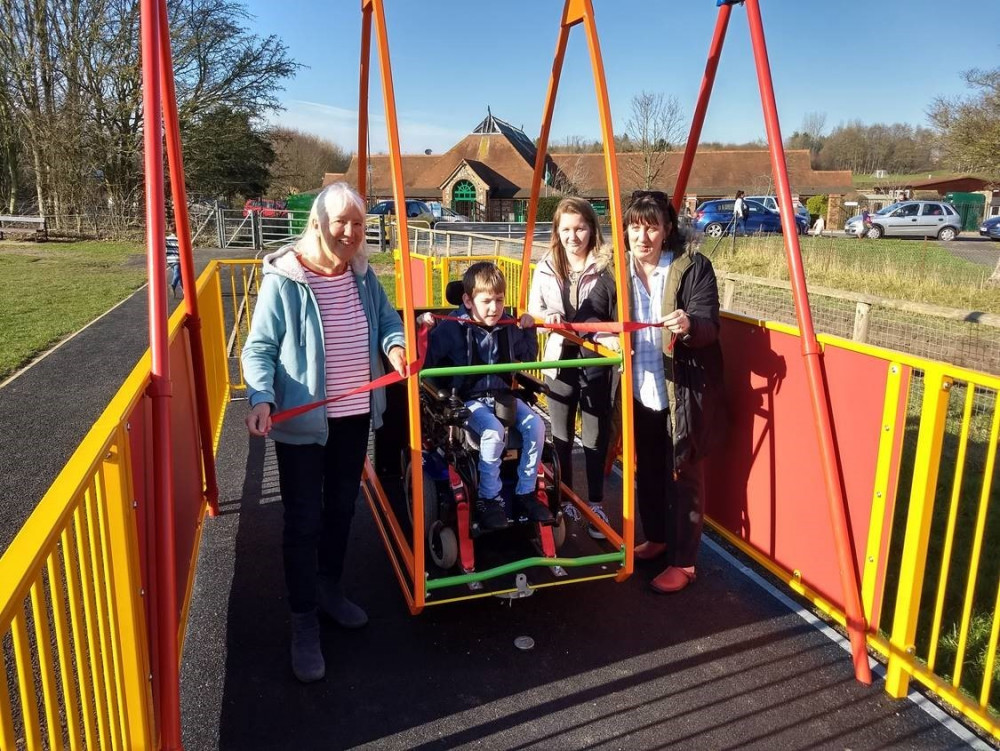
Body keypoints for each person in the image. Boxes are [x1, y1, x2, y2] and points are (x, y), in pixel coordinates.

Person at [241, 182, 407, 683]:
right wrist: (261, 397)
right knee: (303, 520)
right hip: (304, 424)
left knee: (341, 509)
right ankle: (303, 619)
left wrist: (395, 346)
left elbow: (386, 321)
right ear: (318, 222)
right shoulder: (286, 278)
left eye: (358, 224)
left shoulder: (362, 274)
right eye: (342, 223)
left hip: (355, 417)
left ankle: (329, 589)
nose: (352, 232)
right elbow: (259, 346)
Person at [588, 190, 726, 593]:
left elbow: (709, 326)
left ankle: (684, 564)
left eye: (652, 227)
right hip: (639, 388)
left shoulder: (693, 268)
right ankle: (658, 539)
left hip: (681, 390)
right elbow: (590, 313)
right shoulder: (617, 272)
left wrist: (689, 324)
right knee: (646, 467)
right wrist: (602, 334)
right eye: (635, 227)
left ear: (667, 229)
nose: (642, 236)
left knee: (684, 474)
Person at [423, 261, 551, 530]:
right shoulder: (451, 327)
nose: (495, 308)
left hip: (503, 396)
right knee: (494, 432)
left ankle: (525, 492)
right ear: (468, 301)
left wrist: (528, 326)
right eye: (487, 301)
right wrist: (424, 327)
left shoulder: (507, 325)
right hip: (469, 400)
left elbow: (526, 355)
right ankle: (488, 498)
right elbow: (427, 362)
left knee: (537, 426)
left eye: (500, 300)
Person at [527, 196, 614, 539]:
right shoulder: (547, 265)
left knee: (594, 436)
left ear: (592, 229)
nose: (573, 236)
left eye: (580, 228)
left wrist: (608, 336)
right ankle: (561, 497)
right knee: (561, 436)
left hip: (595, 359)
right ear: (557, 232)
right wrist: (545, 318)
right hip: (559, 357)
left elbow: (617, 313)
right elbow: (532, 310)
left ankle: (594, 502)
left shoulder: (607, 266)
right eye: (566, 229)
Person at [165, 231, 182, 298]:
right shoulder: (178, 239)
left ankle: (184, 290)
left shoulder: (167, 238)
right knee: (177, 274)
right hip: (176, 259)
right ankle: (173, 285)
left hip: (169, 260)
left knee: (177, 275)